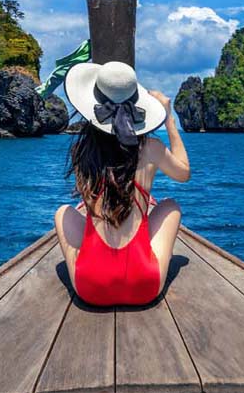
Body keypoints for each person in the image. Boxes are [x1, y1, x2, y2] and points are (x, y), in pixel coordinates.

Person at [54, 60, 190, 306]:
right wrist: (169, 119)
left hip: (90, 289)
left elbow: (91, 195)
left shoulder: (81, 151)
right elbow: (184, 173)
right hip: (144, 287)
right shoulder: (151, 148)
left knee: (63, 211)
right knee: (171, 206)